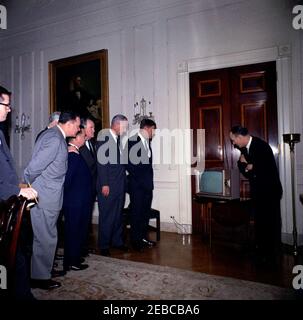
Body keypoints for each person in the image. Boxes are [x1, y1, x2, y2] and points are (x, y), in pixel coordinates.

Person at [24, 111, 80, 290]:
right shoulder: (55, 139)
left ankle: (42, 271)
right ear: (69, 124)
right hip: (46, 197)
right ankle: (40, 278)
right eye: (78, 126)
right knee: (46, 238)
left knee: (45, 237)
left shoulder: (54, 136)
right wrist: (28, 187)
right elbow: (33, 167)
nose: (79, 129)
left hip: (47, 195)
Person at [0, 85, 38, 300]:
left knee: (17, 258)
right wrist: (17, 191)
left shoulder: (0, 133)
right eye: (6, 105)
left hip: (7, 205)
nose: (9, 110)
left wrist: (19, 188)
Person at [230, 125, 283, 265]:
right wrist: (248, 166)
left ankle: (272, 255)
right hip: (259, 192)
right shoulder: (243, 148)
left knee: (271, 224)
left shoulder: (261, 146)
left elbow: (262, 169)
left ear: (240, 137)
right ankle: (262, 253)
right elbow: (243, 167)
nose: (233, 143)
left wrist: (250, 166)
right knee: (260, 223)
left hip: (270, 191)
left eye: (234, 140)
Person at [96, 114, 129, 256]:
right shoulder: (104, 138)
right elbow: (102, 163)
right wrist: (104, 184)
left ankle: (117, 241)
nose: (126, 129)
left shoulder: (117, 139)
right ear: (116, 125)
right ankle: (103, 245)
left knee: (117, 215)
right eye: (125, 126)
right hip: (108, 185)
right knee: (107, 215)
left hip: (119, 185)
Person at [62, 128, 91, 271]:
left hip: (79, 201)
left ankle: (74, 257)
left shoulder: (75, 153)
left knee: (77, 230)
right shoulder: (72, 155)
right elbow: (67, 181)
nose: (85, 138)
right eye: (83, 136)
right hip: (75, 202)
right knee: (73, 231)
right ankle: (71, 261)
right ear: (75, 138)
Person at [126, 118, 157, 251]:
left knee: (145, 214)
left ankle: (143, 238)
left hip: (147, 186)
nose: (154, 133)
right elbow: (129, 164)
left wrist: (148, 183)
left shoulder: (147, 142)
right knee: (136, 214)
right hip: (137, 186)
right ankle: (136, 241)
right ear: (147, 128)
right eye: (153, 130)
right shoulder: (132, 141)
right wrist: (141, 181)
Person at [79, 116, 97, 256]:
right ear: (83, 129)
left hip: (91, 189)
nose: (94, 130)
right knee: (80, 221)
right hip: (82, 190)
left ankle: (84, 247)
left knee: (86, 220)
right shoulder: (78, 146)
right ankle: (79, 249)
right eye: (91, 128)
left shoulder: (93, 144)